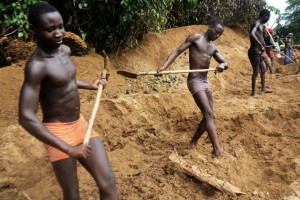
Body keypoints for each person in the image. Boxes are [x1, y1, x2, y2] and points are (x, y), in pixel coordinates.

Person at [18, 2, 118, 200]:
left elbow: (65, 81)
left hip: (80, 125)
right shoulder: (36, 66)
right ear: (34, 31)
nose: (58, 33)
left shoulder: (65, 51)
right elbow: (26, 116)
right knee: (72, 195)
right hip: (58, 133)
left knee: (108, 183)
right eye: (50, 29)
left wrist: (90, 85)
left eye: (60, 26)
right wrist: (69, 149)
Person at [157, 19, 232, 158]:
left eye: (219, 35)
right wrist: (164, 66)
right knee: (209, 114)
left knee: (209, 115)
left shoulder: (213, 48)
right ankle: (217, 151)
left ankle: (193, 142)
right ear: (210, 27)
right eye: (216, 32)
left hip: (204, 81)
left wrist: (223, 65)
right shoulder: (196, 38)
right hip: (194, 81)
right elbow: (177, 51)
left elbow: (225, 62)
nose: (217, 35)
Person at [248, 9, 272, 96]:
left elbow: (260, 37)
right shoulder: (257, 23)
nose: (268, 19)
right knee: (256, 72)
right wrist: (260, 44)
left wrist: (264, 45)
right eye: (268, 17)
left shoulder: (261, 26)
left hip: (259, 52)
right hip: (254, 52)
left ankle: (263, 88)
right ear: (265, 16)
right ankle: (253, 92)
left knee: (264, 68)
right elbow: (252, 34)